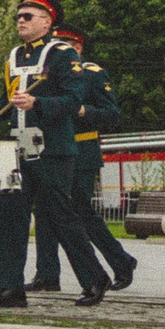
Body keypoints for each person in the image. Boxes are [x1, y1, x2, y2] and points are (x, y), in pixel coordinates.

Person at [0, 0, 109, 310]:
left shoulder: (62, 55)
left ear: (46, 21)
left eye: (27, 16)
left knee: (61, 215)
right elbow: (8, 102)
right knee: (11, 216)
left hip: (53, 150)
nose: (20, 20)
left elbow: (73, 101)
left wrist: (38, 102)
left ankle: (94, 278)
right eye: (18, 16)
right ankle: (9, 288)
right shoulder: (15, 56)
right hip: (19, 149)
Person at [35, 24, 138, 293]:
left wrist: (82, 110)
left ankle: (121, 261)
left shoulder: (92, 74)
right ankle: (47, 274)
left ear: (77, 47)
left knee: (79, 211)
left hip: (82, 151)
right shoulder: (45, 74)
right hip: (52, 151)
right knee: (46, 210)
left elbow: (112, 114)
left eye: (64, 44)